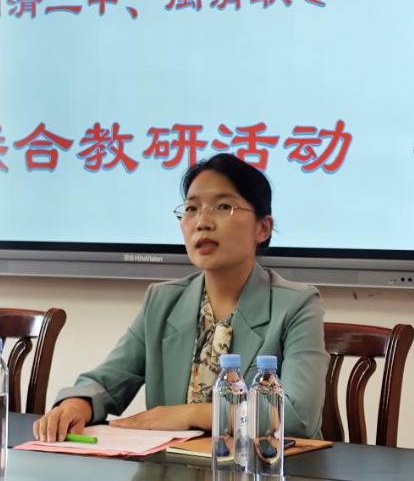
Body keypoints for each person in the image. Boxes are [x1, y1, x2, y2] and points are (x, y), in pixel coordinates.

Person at [34, 153, 329, 442]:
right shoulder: (162, 301)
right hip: (171, 466)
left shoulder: (297, 305)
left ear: (262, 228)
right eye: (191, 209)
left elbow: (298, 416)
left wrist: (190, 414)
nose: (202, 222)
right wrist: (76, 405)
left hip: (261, 465)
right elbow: (107, 382)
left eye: (223, 206)